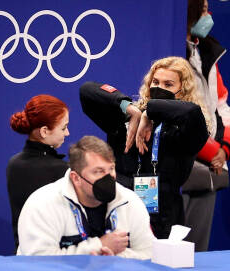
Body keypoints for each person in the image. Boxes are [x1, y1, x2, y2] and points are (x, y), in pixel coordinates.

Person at [79, 56, 209, 239]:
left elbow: (192, 112)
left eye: (168, 84)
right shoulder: (128, 119)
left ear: (182, 91)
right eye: (155, 82)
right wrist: (132, 110)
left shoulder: (185, 128)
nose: (159, 88)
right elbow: (87, 90)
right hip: (120, 210)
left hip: (163, 216)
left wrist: (150, 111)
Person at [17, 135, 155, 258]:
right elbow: (37, 262)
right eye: (98, 171)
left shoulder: (130, 201)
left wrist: (114, 257)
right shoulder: (42, 204)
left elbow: (149, 254)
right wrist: (97, 246)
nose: (109, 177)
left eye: (111, 169)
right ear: (76, 178)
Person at [182, 0, 230, 251]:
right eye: (203, 9)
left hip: (211, 164)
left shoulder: (205, 53)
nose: (209, 15)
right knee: (172, 249)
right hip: (181, 163)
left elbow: (222, 106)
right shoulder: (172, 53)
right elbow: (175, 113)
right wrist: (208, 150)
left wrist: (224, 149)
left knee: (197, 252)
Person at [7, 94, 70, 250]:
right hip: (56, 261)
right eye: (63, 127)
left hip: (22, 256)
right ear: (44, 131)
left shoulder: (13, 164)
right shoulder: (62, 170)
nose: (67, 133)